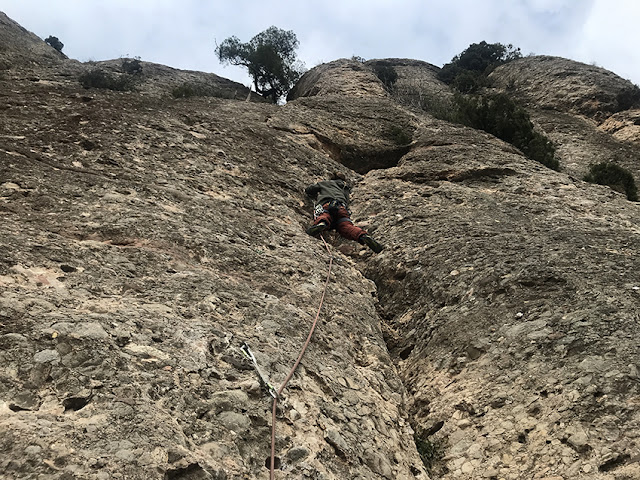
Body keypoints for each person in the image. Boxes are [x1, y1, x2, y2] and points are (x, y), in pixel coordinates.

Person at [304, 173, 384, 253]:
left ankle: (322, 224)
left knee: (325, 215)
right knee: (346, 226)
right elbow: (347, 200)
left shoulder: (325, 183)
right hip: (341, 207)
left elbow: (309, 190)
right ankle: (362, 235)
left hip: (327, 203)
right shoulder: (344, 188)